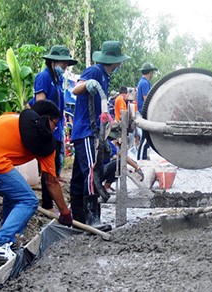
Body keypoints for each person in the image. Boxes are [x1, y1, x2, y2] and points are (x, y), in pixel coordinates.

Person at [0, 100, 73, 261]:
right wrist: (65, 212)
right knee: (29, 200)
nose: (55, 129)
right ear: (47, 120)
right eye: (55, 124)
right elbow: (51, 182)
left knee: (14, 195)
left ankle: (9, 242)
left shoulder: (11, 117)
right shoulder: (44, 141)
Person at [70, 41, 130, 224]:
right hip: (86, 130)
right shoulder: (95, 72)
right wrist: (89, 83)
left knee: (79, 177)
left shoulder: (106, 76)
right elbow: (76, 88)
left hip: (94, 130)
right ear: (116, 61)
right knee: (91, 171)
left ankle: (78, 218)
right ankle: (92, 217)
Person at [31, 45, 78, 213]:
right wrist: (45, 127)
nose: (65, 67)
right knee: (47, 168)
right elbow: (40, 104)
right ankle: (47, 205)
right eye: (63, 63)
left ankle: (51, 202)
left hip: (57, 130)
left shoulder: (57, 80)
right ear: (52, 61)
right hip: (47, 128)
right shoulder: (43, 77)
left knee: (53, 166)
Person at [136, 62, 158, 160]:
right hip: (144, 112)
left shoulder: (143, 82)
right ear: (150, 72)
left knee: (147, 137)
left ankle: (143, 157)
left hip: (143, 112)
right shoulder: (144, 83)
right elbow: (146, 98)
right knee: (146, 137)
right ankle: (140, 158)